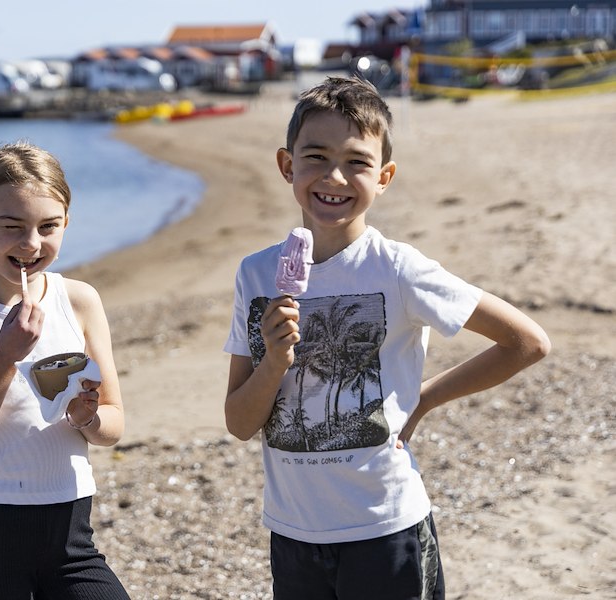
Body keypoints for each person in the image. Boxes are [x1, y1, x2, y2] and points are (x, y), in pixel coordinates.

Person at [223, 77, 550, 600]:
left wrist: (423, 399)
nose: (335, 176)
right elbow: (240, 423)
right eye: (316, 157)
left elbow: (526, 342)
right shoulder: (257, 274)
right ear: (287, 166)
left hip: (385, 528)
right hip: (292, 530)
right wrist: (273, 363)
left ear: (384, 177)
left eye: (357, 161)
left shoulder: (397, 269)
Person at [0, 141, 130, 599]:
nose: (31, 244)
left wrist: (86, 417)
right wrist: (5, 358)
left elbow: (113, 425)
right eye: (12, 226)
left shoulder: (79, 300)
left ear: (66, 223)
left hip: (71, 530)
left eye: (48, 227)